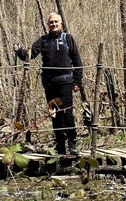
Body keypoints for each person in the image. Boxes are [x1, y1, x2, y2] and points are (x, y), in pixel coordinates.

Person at [14, 13, 83, 155]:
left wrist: (77, 81)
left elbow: (77, 61)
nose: (54, 24)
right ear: (48, 24)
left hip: (66, 81)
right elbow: (30, 54)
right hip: (50, 84)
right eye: (51, 22)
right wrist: (19, 51)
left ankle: (72, 144)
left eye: (56, 22)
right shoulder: (44, 40)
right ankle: (60, 146)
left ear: (61, 23)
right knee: (55, 115)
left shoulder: (67, 39)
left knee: (67, 113)